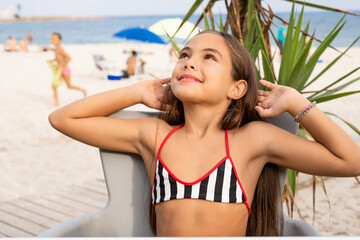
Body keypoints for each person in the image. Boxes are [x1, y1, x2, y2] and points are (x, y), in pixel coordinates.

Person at [48, 30, 360, 236]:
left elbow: (351, 161)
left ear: (236, 88)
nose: (189, 63)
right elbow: (63, 118)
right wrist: (137, 90)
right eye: (184, 55)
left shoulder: (251, 140)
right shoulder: (155, 135)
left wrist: (297, 103)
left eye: (208, 57)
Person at [47, 32, 86, 106]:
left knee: (69, 86)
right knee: (54, 86)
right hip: (59, 71)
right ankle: (56, 103)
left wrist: (62, 65)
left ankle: (83, 90)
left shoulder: (60, 49)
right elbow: (58, 58)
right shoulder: (56, 49)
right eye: (51, 38)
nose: (52, 40)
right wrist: (52, 60)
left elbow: (69, 58)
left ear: (59, 40)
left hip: (65, 70)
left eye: (54, 39)